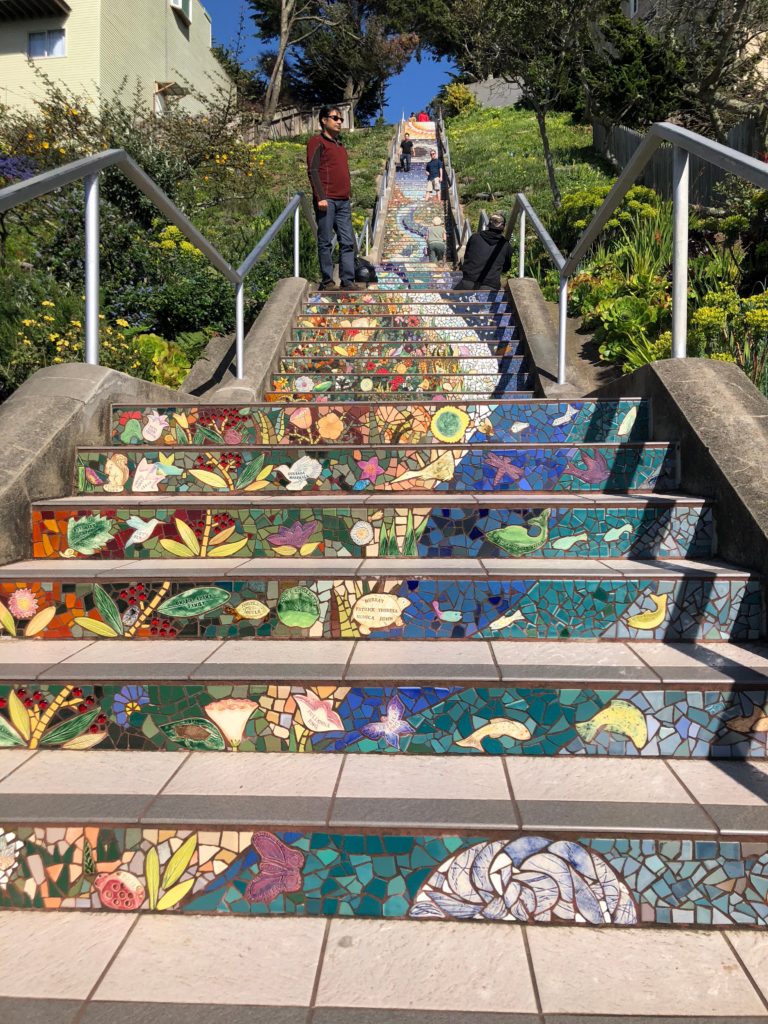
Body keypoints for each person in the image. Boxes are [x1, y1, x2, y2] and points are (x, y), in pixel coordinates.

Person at [306, 105, 363, 291]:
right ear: (324, 120)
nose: (339, 122)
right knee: (325, 241)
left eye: (341, 119)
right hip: (327, 200)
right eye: (335, 118)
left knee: (347, 241)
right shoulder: (317, 142)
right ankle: (327, 280)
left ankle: (347, 280)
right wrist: (320, 197)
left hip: (343, 201)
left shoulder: (340, 146)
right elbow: (313, 170)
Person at [457, 212, 512, 290]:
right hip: (490, 287)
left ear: (489, 224)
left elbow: (467, 257)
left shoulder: (474, 237)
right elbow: (506, 267)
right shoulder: (505, 245)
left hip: (467, 282)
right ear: (503, 227)